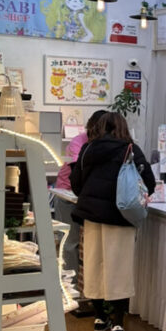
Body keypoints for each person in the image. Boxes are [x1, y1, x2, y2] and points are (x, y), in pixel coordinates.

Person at [70, 111, 155, 331]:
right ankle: (117, 323)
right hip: (121, 217)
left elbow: (76, 185)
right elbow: (149, 182)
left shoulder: (88, 149)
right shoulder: (131, 150)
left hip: (91, 216)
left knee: (93, 266)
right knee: (119, 269)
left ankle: (99, 318)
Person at [54, 110, 107, 285]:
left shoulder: (103, 144)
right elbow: (79, 170)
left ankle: (85, 285)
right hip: (67, 195)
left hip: (88, 198)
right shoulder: (78, 142)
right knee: (70, 242)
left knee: (88, 244)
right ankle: (70, 286)